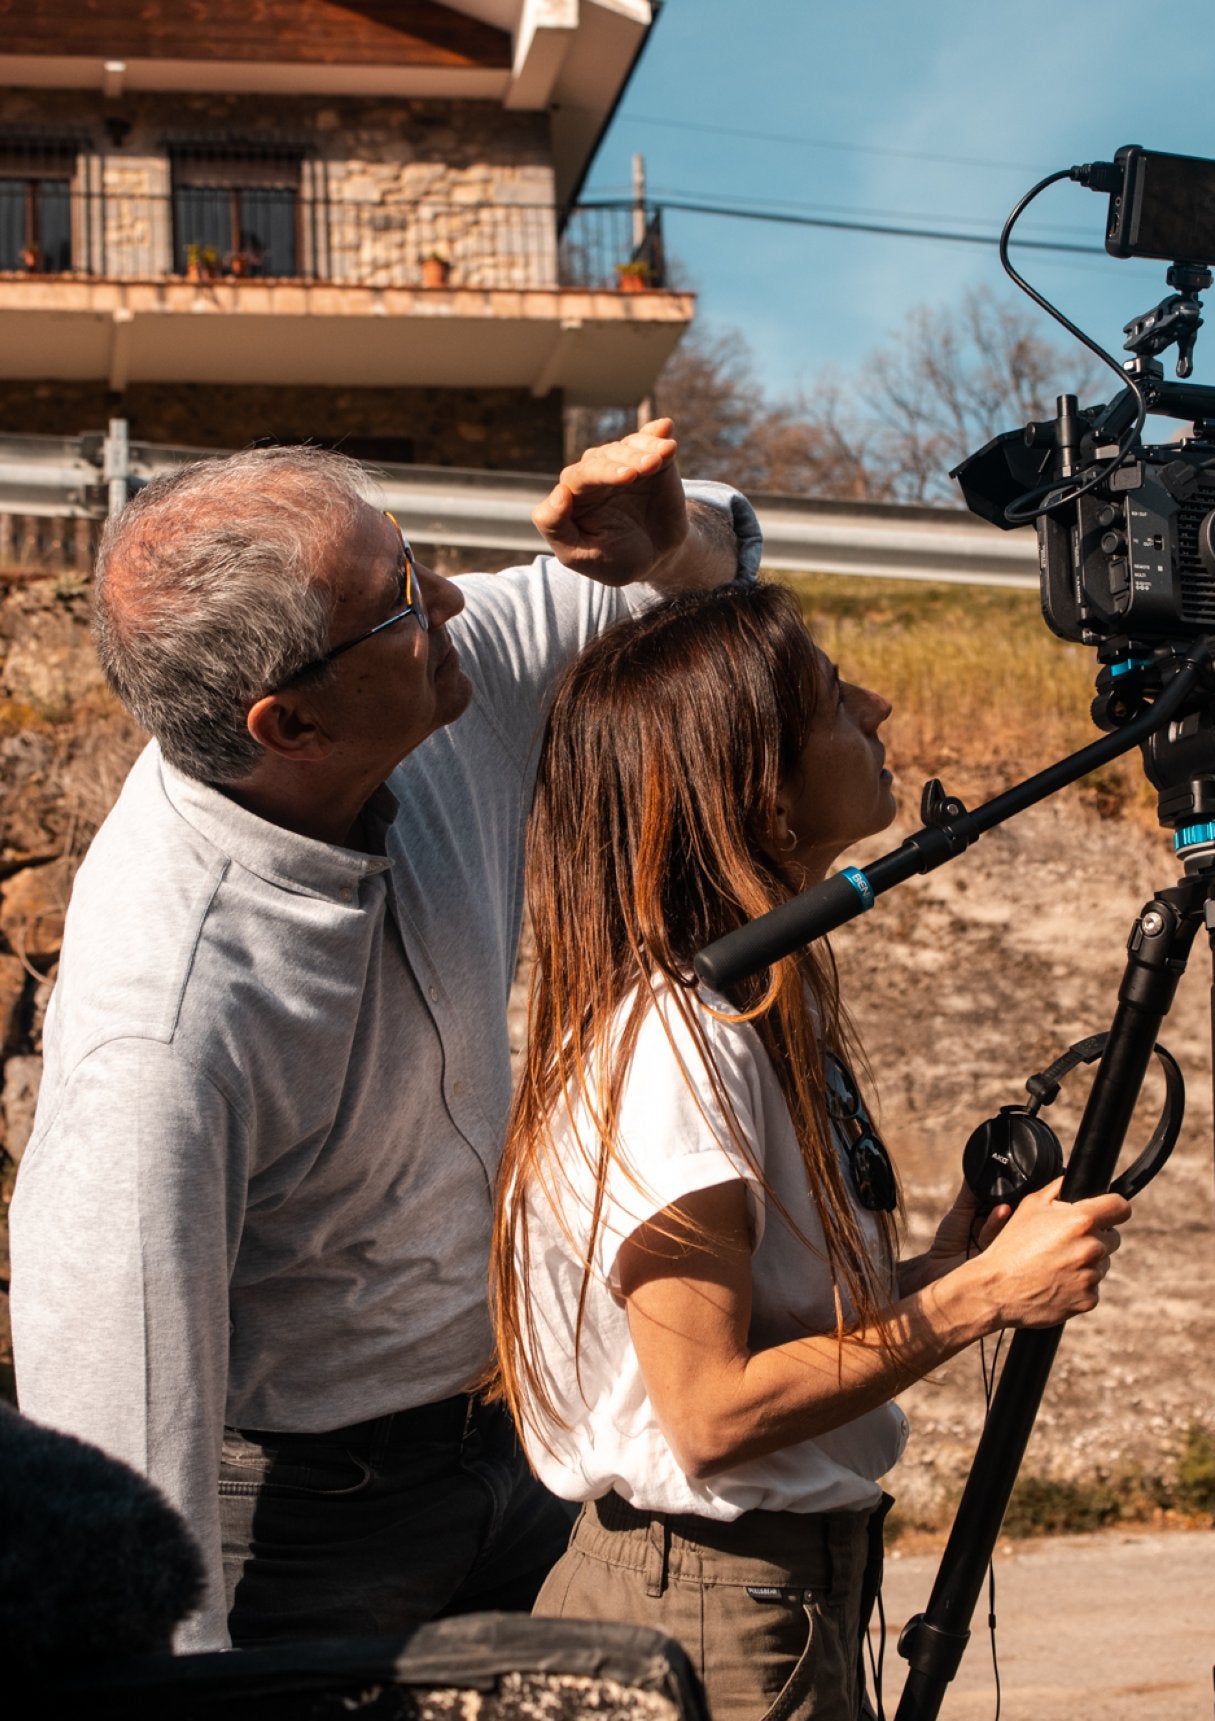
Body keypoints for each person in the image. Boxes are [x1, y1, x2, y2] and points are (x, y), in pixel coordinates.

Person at [8, 421, 759, 1654]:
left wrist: (671, 544)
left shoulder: (418, 682)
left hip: (523, 1438)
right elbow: (125, 1436)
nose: (453, 599)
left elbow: (691, 598)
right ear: (288, 726)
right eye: (402, 596)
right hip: (308, 1534)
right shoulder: (163, 1029)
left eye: (414, 558)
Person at [491, 585, 1131, 1721]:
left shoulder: (743, 1010)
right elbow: (713, 1414)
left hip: (770, 1589)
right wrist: (974, 1298)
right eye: (836, 698)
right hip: (710, 1611)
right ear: (760, 789)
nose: (879, 705)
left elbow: (778, 1330)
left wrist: (943, 1267)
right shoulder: (670, 1053)